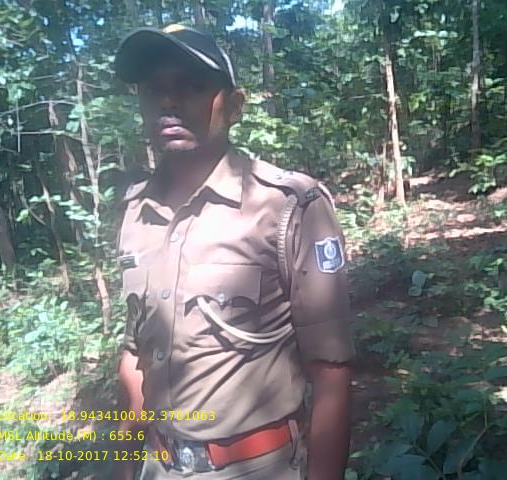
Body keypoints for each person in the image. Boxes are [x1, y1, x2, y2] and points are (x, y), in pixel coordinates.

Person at [112, 24, 355, 480]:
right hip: (156, 465)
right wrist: (126, 466)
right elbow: (135, 357)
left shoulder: (287, 205)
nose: (168, 101)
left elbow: (331, 371)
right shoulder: (135, 214)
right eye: (153, 90)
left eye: (192, 86)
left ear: (235, 105)